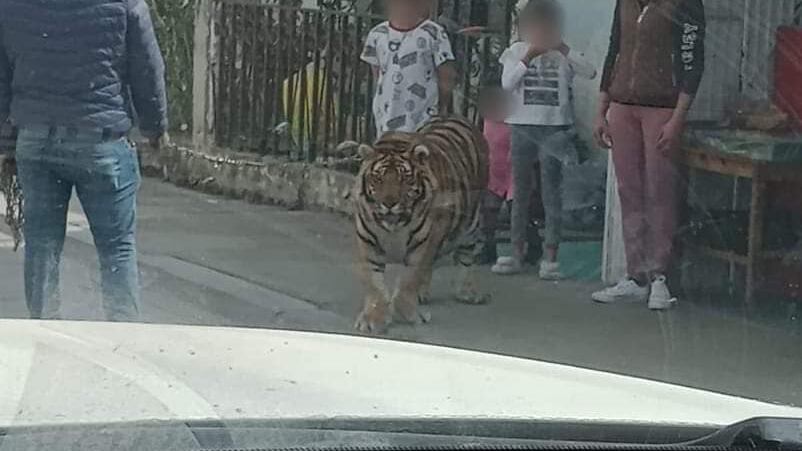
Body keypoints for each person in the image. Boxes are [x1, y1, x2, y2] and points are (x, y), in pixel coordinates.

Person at [0, 0, 168, 321]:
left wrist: (6, 145)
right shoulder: (125, 4)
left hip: (36, 140)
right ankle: (123, 334)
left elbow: (2, 78)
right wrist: (155, 129)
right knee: (116, 247)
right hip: (102, 140)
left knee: (42, 244)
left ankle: (44, 329)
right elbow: (147, 68)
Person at [591, 0, 705, 310]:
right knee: (629, 189)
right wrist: (601, 109)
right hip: (623, 103)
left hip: (662, 106)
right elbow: (615, 48)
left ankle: (659, 276)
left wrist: (678, 118)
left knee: (660, 189)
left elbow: (693, 60)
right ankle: (635, 275)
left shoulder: (685, 4)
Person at [492, 0, 596, 279]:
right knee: (520, 191)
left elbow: (590, 71)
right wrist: (529, 56)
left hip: (554, 128)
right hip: (522, 126)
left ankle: (551, 255)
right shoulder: (515, 51)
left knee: (552, 192)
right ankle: (517, 251)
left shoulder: (564, 54)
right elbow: (507, 83)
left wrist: (562, 48)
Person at [360, 0, 457, 135]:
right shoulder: (377, 34)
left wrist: (443, 107)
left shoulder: (433, 33)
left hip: (423, 116)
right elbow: (377, 74)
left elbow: (446, 75)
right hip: (386, 115)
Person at [478, 82, 513, 265]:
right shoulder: (486, 121)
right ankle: (488, 247)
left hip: (513, 170)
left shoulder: (516, 121)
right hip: (493, 171)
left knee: (518, 212)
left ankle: (529, 246)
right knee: (489, 213)